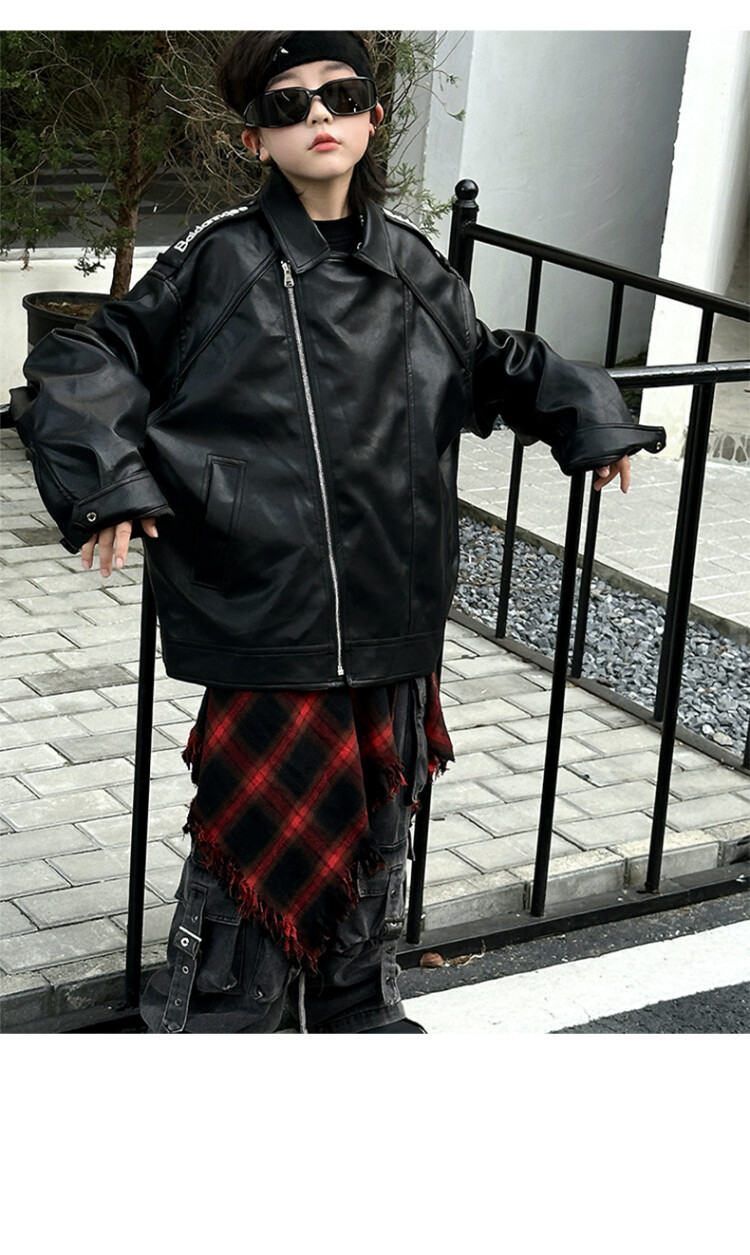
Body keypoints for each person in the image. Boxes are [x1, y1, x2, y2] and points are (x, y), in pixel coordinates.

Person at [10, 30, 666, 1034]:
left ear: (373, 118)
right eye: (287, 103)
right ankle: (223, 1036)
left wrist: (588, 410)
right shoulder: (220, 259)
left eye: (340, 94)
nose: (316, 115)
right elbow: (84, 353)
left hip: (394, 616)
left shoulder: (414, 264)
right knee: (248, 872)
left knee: (375, 847)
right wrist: (111, 478)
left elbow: (490, 361)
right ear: (254, 140)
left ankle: (362, 1022)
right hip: (266, 617)